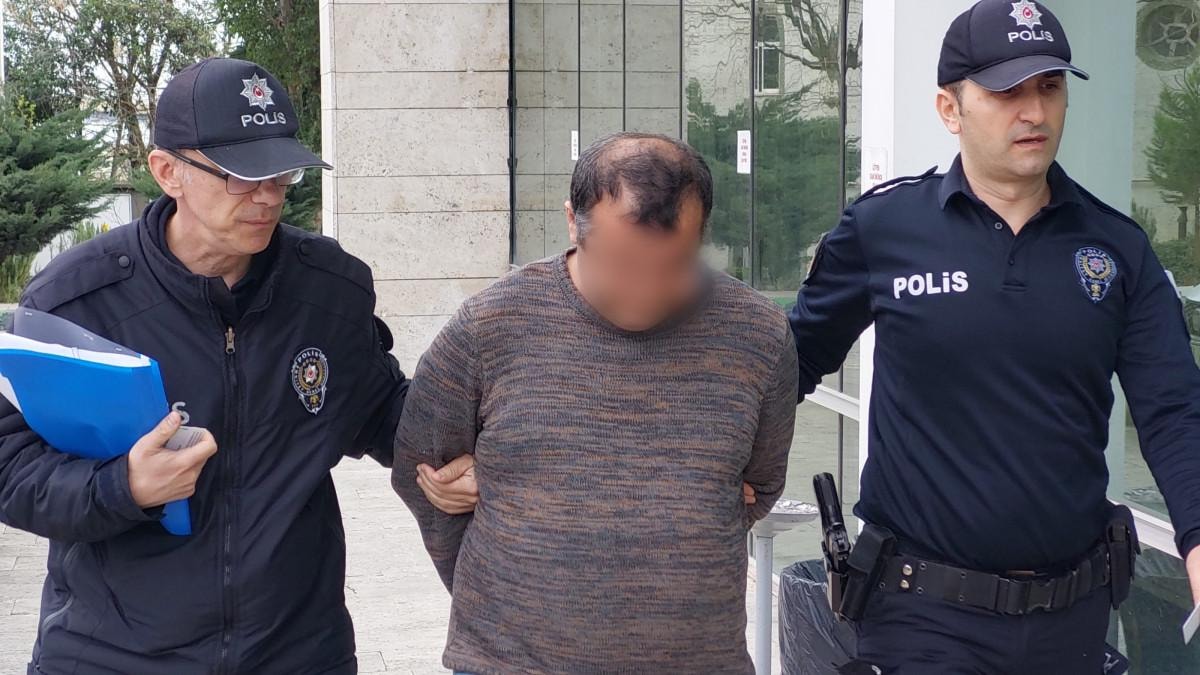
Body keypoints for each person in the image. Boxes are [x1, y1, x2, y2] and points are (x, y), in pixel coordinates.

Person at [0, 57, 474, 674]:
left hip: (297, 653)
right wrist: (123, 488)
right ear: (167, 171)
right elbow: (10, 467)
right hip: (113, 655)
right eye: (241, 176)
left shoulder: (329, 288)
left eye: (280, 173)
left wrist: (449, 454)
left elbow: (378, 409)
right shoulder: (75, 303)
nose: (268, 196)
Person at [789, 1, 1200, 672]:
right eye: (1007, 92)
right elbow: (791, 363)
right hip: (923, 614)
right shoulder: (884, 230)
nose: (1034, 111)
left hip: (1072, 616)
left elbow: (1175, 408)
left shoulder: (1116, 249)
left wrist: (1197, 535)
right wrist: (725, 466)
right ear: (949, 109)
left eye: (1050, 87)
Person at [392, 132, 798, 674]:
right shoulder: (490, 326)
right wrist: (499, 597)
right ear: (572, 223)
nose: (645, 291)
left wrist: (676, 526)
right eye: (622, 264)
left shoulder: (758, 334)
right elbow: (421, 470)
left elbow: (759, 487)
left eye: (673, 266)